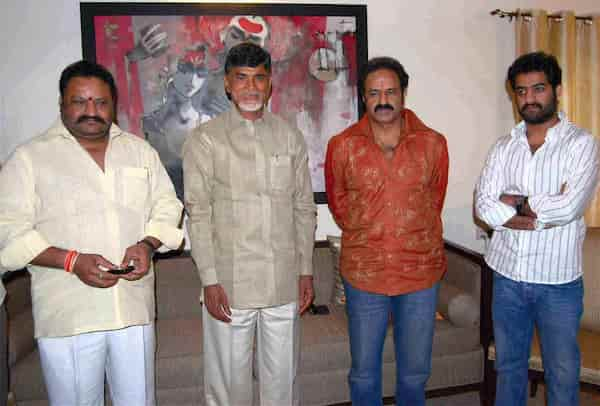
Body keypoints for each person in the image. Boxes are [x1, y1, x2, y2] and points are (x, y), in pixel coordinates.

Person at [0, 60, 184, 405]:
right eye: (79, 101)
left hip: (132, 308)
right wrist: (71, 260)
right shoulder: (29, 159)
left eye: (100, 102)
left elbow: (167, 206)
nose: (91, 111)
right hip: (70, 313)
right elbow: (7, 230)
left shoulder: (139, 151)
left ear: (113, 105)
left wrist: (148, 244)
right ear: (61, 104)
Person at [182, 42, 317, 406]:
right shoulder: (205, 140)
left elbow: (304, 207)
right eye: (242, 78)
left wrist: (305, 270)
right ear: (227, 84)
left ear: (270, 83)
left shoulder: (289, 137)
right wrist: (209, 279)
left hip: (282, 280)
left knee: (282, 385)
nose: (251, 87)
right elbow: (198, 213)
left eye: (259, 78)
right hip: (229, 284)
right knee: (228, 388)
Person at [475, 51, 600, 406]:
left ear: (556, 90)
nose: (529, 98)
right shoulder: (503, 148)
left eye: (538, 88)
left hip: (558, 283)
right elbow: (483, 206)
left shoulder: (581, 144)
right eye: (521, 91)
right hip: (507, 278)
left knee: (562, 374)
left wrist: (514, 202)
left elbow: (571, 206)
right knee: (508, 369)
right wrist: (537, 206)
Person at [324, 57, 449, 406]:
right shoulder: (342, 145)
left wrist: (408, 231)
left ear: (403, 93)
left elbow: (433, 200)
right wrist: (372, 232)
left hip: (420, 274)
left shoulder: (433, 143)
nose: (383, 100)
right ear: (363, 97)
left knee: (415, 373)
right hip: (365, 276)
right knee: (364, 373)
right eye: (374, 92)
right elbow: (339, 204)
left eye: (390, 91)